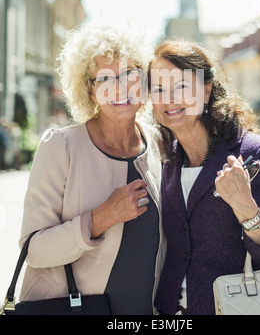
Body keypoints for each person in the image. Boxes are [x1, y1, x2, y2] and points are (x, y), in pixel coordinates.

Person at [19, 23, 165, 315]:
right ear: (90, 90)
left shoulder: (161, 143)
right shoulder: (61, 146)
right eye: (104, 79)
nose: (120, 88)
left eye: (128, 74)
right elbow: (32, 250)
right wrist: (99, 219)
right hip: (70, 310)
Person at [149, 39, 260, 315]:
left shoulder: (258, 155)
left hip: (233, 307)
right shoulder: (167, 159)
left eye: (181, 86)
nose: (169, 98)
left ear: (206, 91)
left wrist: (245, 207)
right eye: (158, 89)